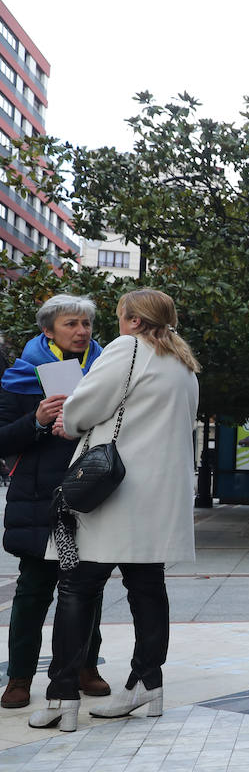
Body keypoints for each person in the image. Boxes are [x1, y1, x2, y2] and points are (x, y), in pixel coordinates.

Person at [29, 289, 200, 732]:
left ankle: (61, 696)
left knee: (77, 588)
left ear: (135, 321)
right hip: (159, 499)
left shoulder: (128, 349)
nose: (117, 325)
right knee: (148, 588)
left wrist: (69, 420)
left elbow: (84, 406)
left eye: (121, 316)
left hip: (112, 495)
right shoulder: (183, 362)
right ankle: (148, 682)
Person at [0, 295, 111, 709]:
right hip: (40, 501)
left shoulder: (106, 371)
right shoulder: (20, 377)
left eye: (86, 323)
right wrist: (37, 421)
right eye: (71, 324)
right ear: (48, 330)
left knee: (86, 588)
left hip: (89, 495)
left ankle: (84, 667)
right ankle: (19, 677)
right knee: (33, 591)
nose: (82, 331)